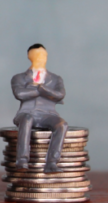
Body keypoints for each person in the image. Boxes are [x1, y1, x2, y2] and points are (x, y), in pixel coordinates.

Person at [11, 44, 68, 173]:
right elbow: (20, 94)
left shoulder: (56, 79)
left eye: (43, 54)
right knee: (27, 119)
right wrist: (41, 91)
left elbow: (60, 95)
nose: (41, 57)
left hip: (48, 114)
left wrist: (41, 88)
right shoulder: (18, 78)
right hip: (26, 112)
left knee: (62, 124)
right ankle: (22, 160)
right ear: (29, 56)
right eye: (37, 54)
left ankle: (52, 163)